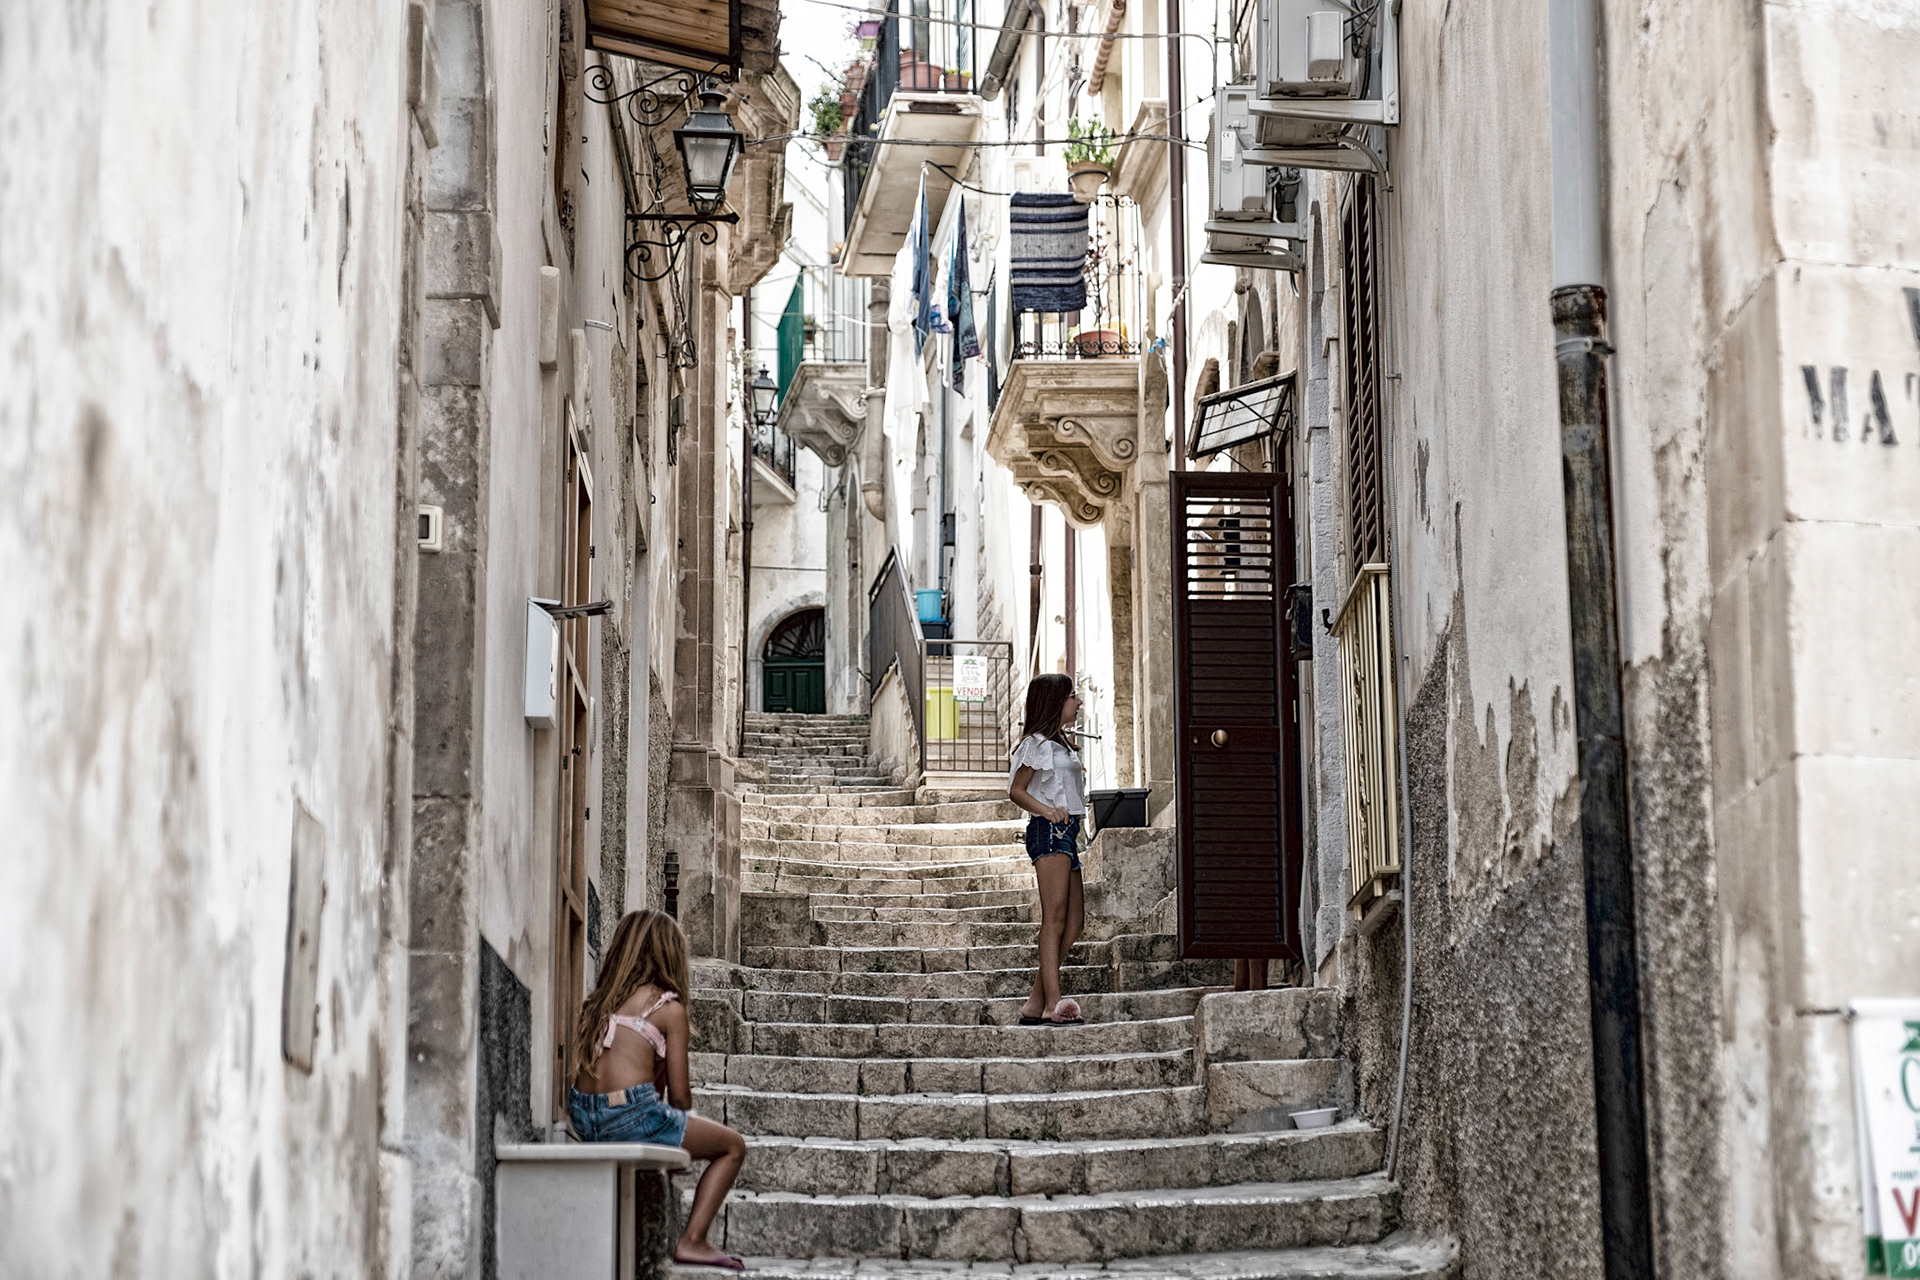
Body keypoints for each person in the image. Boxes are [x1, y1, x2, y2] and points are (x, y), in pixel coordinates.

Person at [571, 909, 747, 1271]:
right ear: (669, 955)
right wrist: (676, 1133)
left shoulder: (597, 1003)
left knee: (655, 1121)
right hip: (630, 1114)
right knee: (733, 1146)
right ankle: (693, 1240)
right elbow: (679, 1097)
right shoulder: (667, 1009)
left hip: (583, 1117)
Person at [1008, 672, 1088, 1026]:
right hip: (1050, 832)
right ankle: (1053, 1003)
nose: (1078, 702)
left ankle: (1035, 1002)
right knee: (1054, 919)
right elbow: (1016, 790)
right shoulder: (1036, 744)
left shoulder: (1060, 744)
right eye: (1072, 696)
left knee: (1075, 922)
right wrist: (1047, 810)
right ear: (1055, 701)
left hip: (1068, 834)